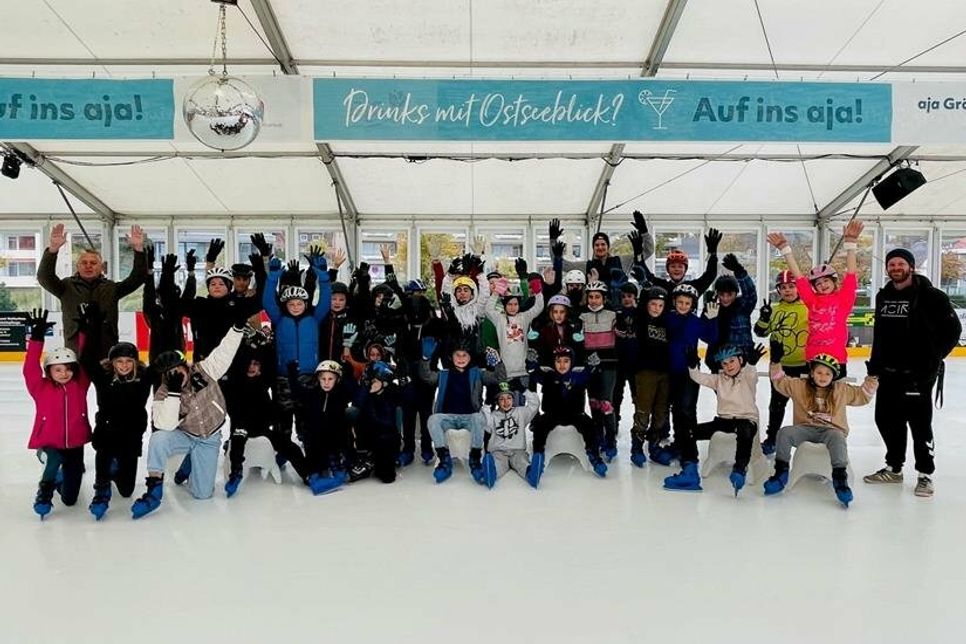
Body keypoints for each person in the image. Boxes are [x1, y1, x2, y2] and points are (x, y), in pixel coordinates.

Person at [863, 247, 962, 497]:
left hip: (917, 375)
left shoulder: (932, 296)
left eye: (900, 264)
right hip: (888, 373)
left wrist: (932, 360)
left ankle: (925, 474)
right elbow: (881, 335)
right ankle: (894, 468)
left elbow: (952, 331)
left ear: (911, 266)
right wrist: (875, 368)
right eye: (891, 264)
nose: (896, 268)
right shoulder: (883, 296)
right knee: (886, 420)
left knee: (919, 426)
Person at [130, 315, 248, 519]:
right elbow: (164, 424)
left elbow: (224, 352)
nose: (175, 375)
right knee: (158, 439)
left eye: (177, 370)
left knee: (202, 495)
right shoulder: (163, 393)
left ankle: (190, 464)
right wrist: (174, 393)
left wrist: (237, 327)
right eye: (168, 373)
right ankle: (154, 489)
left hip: (209, 439)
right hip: (186, 435)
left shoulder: (205, 370)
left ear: (186, 366)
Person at [764, 349, 877, 507]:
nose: (823, 377)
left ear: (833, 376)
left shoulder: (841, 389)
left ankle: (840, 478)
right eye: (819, 372)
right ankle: (781, 473)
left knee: (838, 437)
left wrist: (872, 378)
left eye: (827, 374)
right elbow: (780, 382)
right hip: (805, 429)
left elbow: (862, 396)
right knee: (784, 433)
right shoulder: (799, 386)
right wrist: (775, 362)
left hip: (830, 431)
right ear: (811, 372)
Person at [664, 344, 765, 494]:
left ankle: (739, 469)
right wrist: (692, 366)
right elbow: (698, 377)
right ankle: (690, 469)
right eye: (724, 363)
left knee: (745, 432)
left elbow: (750, 371)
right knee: (687, 432)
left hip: (746, 420)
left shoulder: (747, 377)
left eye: (732, 361)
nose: (728, 366)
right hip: (723, 421)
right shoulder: (718, 379)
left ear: (740, 360)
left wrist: (751, 363)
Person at [767, 220, 863, 376]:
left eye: (826, 281)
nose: (823, 285)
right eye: (818, 283)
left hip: (836, 359)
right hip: (813, 358)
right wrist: (785, 250)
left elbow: (851, 274)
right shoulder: (812, 300)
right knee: (811, 400)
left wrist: (851, 244)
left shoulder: (843, 300)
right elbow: (798, 277)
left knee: (834, 400)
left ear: (833, 281)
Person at [36, 223, 146, 359]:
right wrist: (53, 250)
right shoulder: (66, 287)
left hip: (106, 352)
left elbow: (138, 278)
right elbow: (44, 277)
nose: (88, 266)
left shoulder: (111, 288)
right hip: (76, 352)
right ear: (77, 266)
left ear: (101, 267)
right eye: (84, 262)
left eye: (93, 263)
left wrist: (138, 249)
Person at [23, 309, 93, 519]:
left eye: (68, 369)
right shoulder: (40, 387)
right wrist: (37, 338)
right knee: (53, 460)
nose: (64, 374)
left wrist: (84, 332)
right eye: (58, 370)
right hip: (48, 444)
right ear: (49, 371)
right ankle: (44, 493)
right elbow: (29, 368)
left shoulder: (80, 385)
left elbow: (86, 359)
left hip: (75, 445)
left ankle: (61, 479)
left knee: (70, 500)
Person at [418, 339, 505, 485]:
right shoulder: (444, 374)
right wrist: (425, 359)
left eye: (464, 355)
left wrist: (498, 364)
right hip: (448, 417)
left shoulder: (477, 373)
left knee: (479, 418)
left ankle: (475, 459)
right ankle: (444, 459)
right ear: (451, 357)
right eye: (457, 355)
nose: (461, 359)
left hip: (469, 417)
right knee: (433, 419)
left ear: (470, 358)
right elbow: (426, 376)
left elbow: (498, 377)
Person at [85, 341, 153, 520]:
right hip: (107, 433)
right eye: (119, 361)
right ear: (112, 363)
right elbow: (86, 360)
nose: (124, 365)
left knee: (126, 491)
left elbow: (160, 365)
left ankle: (115, 469)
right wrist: (92, 332)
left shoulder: (144, 377)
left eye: (129, 361)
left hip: (131, 436)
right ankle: (101, 490)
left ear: (136, 362)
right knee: (104, 452)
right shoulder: (103, 377)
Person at [528, 347, 606, 487]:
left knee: (589, 425)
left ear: (572, 362)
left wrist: (594, 365)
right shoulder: (549, 376)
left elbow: (591, 373)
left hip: (575, 414)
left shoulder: (578, 376)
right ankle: (538, 456)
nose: (562, 365)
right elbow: (534, 373)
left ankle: (594, 456)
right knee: (539, 426)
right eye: (558, 361)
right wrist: (531, 363)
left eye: (566, 361)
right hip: (552, 414)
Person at [660, 284, 719, 467]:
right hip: (669, 370)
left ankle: (689, 449)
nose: (683, 305)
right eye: (680, 302)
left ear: (692, 304)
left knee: (687, 409)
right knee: (675, 409)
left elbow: (711, 338)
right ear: (674, 302)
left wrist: (711, 320)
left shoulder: (695, 321)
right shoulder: (668, 318)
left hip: (689, 372)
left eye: (687, 303)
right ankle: (679, 442)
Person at [754, 270, 809, 454]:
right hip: (779, 366)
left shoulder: (808, 307)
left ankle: (805, 438)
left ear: (799, 288)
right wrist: (763, 318)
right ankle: (772, 438)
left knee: (804, 404)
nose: (787, 290)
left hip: (804, 365)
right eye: (783, 287)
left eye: (791, 286)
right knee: (777, 404)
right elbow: (760, 332)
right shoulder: (775, 310)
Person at [631, 287, 671, 468]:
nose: (656, 308)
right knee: (643, 410)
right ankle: (637, 447)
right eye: (653, 304)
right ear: (646, 304)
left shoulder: (667, 322)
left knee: (662, 411)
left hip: (665, 372)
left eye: (660, 305)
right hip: (645, 372)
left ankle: (654, 446)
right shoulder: (640, 319)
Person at [580, 280, 619, 461]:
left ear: (604, 298)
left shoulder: (612, 315)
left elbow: (622, 332)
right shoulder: (582, 316)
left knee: (606, 403)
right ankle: (598, 436)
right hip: (590, 364)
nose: (594, 300)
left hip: (609, 364)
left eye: (598, 297)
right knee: (594, 402)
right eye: (591, 297)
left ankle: (611, 439)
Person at [484, 271, 544, 388]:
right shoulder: (499, 319)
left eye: (515, 304)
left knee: (521, 402)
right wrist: (496, 292)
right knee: (507, 400)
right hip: (505, 370)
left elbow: (538, 308)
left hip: (522, 370)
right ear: (505, 305)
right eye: (509, 304)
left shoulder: (524, 317)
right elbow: (488, 309)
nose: (512, 307)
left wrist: (538, 293)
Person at [480, 383, 540, 488]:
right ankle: (490, 474)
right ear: (497, 401)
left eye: (509, 398)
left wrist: (524, 390)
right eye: (502, 399)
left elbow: (535, 404)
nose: (506, 402)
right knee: (497, 465)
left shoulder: (521, 413)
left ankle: (532, 474)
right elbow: (485, 423)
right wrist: (487, 404)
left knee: (522, 462)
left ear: (513, 399)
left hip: (517, 451)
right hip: (499, 452)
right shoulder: (493, 416)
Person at [705, 253, 756, 371]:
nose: (725, 298)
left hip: (743, 360)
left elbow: (750, 293)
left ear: (736, 293)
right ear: (717, 294)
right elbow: (706, 336)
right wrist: (709, 317)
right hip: (719, 362)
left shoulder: (743, 307)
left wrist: (740, 271)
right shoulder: (713, 309)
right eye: (721, 294)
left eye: (730, 294)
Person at [637, 227, 722, 297]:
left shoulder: (693, 287)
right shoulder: (660, 285)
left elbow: (710, 275)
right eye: (673, 266)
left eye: (680, 266)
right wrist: (638, 254)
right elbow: (643, 273)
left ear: (685, 270)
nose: (676, 269)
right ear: (668, 269)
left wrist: (713, 254)